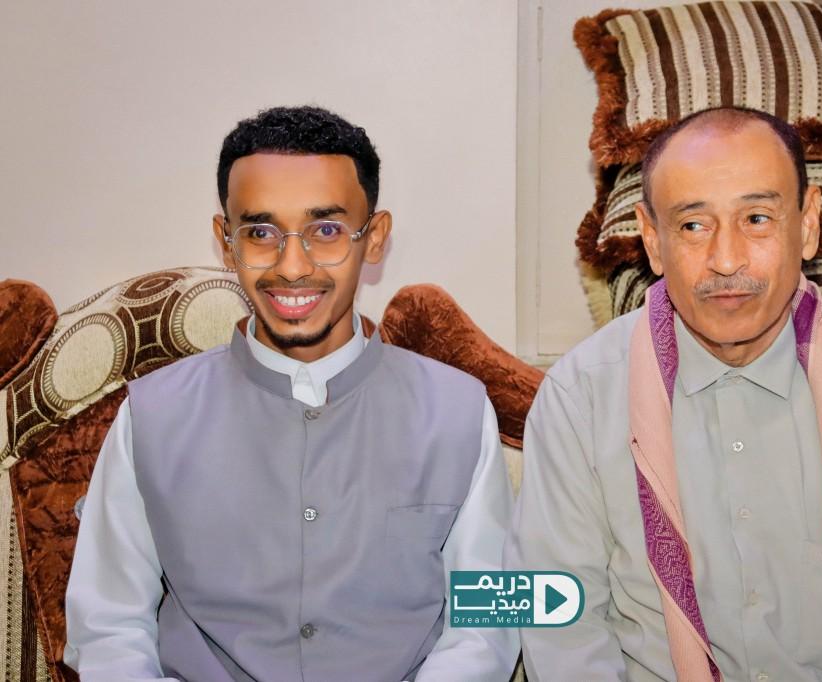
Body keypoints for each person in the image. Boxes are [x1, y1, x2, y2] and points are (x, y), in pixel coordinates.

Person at [506, 107, 822, 681]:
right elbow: (556, 618)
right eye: (693, 226)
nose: (726, 260)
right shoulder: (579, 397)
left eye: (757, 218)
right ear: (652, 240)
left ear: (807, 223)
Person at [65, 105, 519, 681]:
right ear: (226, 242)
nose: (293, 266)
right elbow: (107, 627)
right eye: (260, 233)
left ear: (374, 238)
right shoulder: (150, 417)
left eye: (326, 230)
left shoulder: (458, 412)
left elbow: (487, 627)